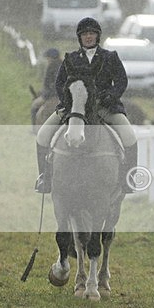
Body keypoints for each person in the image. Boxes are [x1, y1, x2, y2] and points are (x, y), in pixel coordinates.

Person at [35, 17, 138, 194]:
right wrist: (69, 102)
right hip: (75, 108)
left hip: (105, 108)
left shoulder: (110, 57)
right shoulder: (70, 59)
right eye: (85, 34)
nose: (88, 37)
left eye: (91, 34)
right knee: (43, 134)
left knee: (129, 136)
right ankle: (45, 178)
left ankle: (127, 178)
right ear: (79, 37)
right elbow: (60, 84)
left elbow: (121, 81)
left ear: (97, 36)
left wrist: (109, 97)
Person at [30, 48, 62, 126]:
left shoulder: (53, 67)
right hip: (54, 94)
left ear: (51, 57)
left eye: (48, 57)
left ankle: (35, 129)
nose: (47, 59)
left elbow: (53, 86)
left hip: (52, 96)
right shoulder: (61, 65)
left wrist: (44, 95)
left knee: (35, 106)